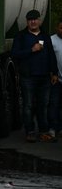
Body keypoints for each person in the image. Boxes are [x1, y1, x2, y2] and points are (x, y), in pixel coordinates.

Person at [11, 9, 58, 143]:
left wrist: (54, 72)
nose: (33, 22)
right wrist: (31, 50)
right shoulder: (21, 36)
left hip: (44, 77)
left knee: (43, 105)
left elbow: (51, 56)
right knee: (28, 105)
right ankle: (30, 131)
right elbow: (15, 54)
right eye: (30, 19)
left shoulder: (45, 36)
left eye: (35, 19)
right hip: (28, 77)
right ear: (27, 21)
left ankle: (43, 131)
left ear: (39, 20)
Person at [49, 19, 62, 139]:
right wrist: (52, 73)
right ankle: (53, 128)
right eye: (61, 28)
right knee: (54, 104)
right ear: (57, 28)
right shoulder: (52, 40)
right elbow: (48, 59)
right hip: (56, 79)